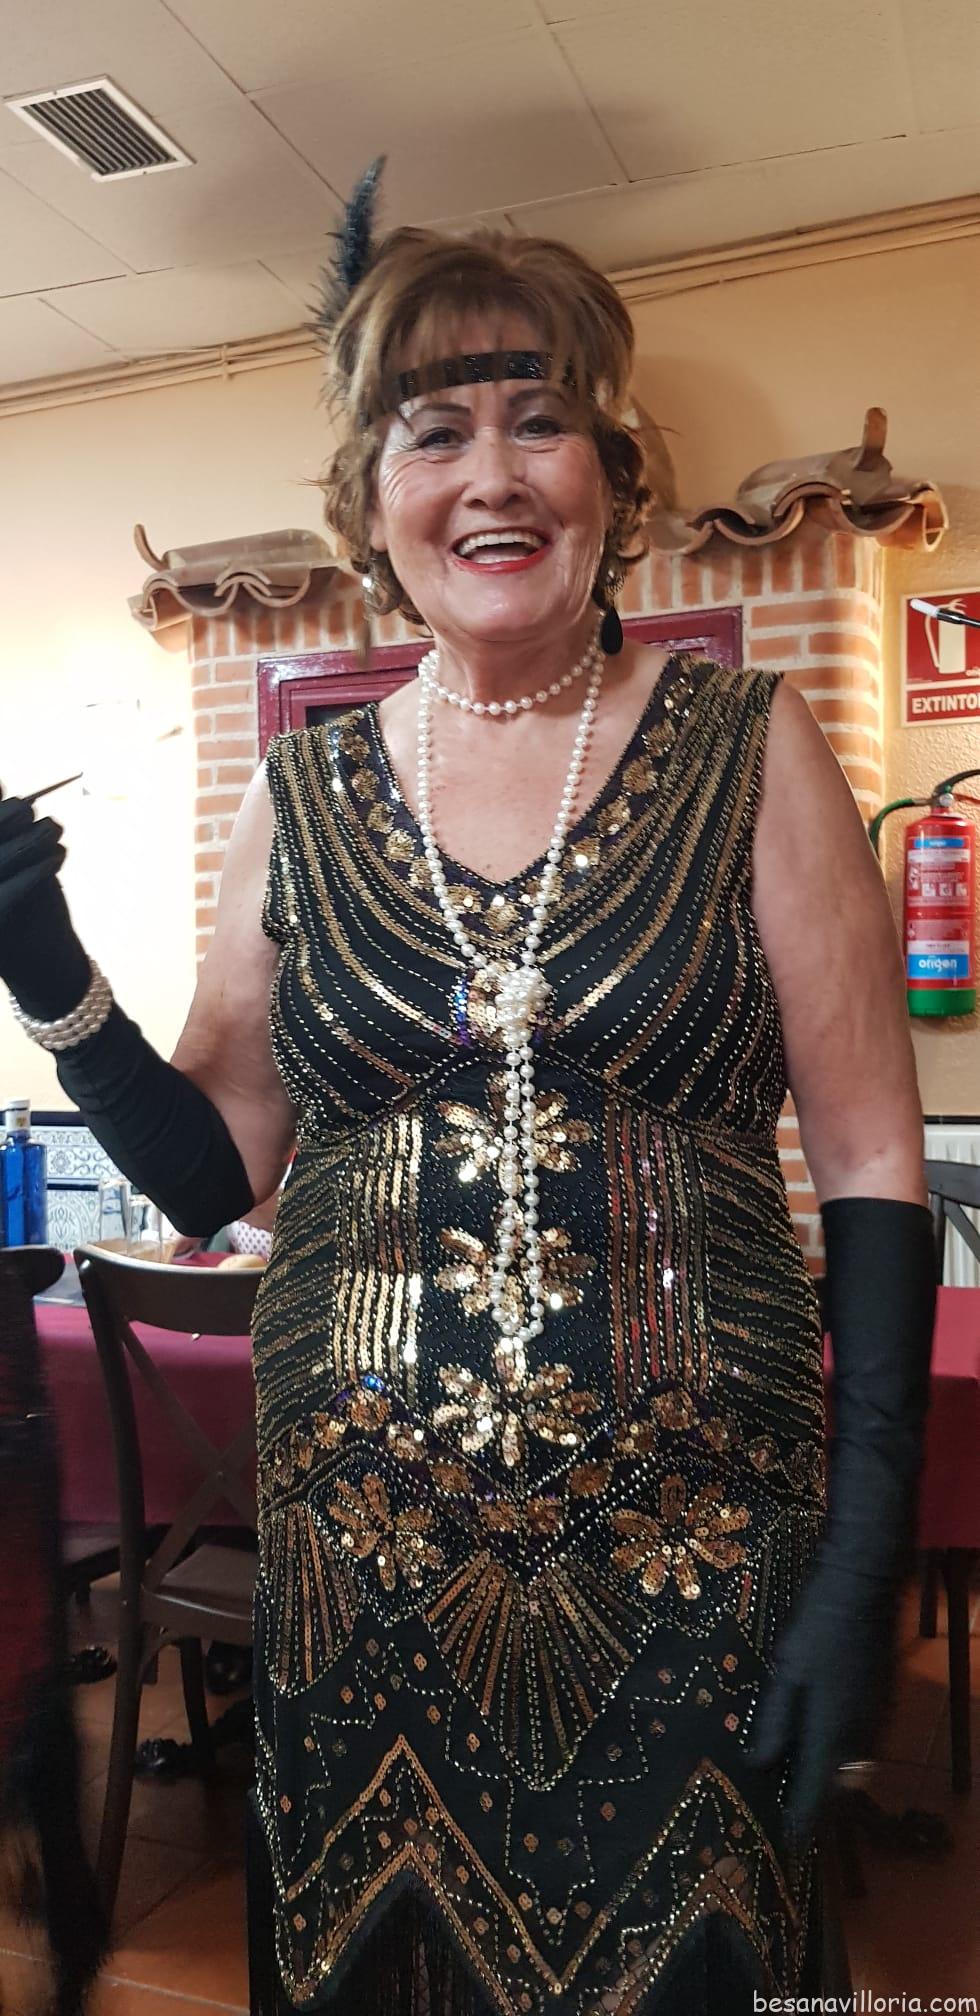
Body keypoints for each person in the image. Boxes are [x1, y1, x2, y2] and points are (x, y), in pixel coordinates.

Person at [0, 169, 935, 2015]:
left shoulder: (752, 746)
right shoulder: (300, 797)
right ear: (374, 501)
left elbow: (875, 1157)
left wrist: (862, 1555)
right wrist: (46, 969)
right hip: (360, 1565)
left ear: (614, 478)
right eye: (434, 432)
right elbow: (216, 1166)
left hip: (698, 1553)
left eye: (540, 420)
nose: (491, 472)